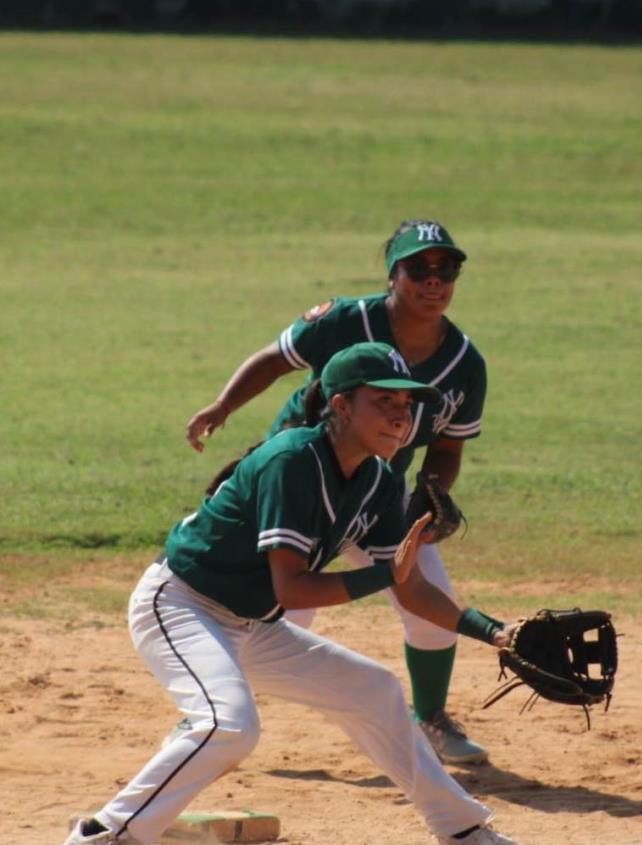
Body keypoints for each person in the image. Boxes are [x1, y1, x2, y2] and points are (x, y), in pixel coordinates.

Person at [63, 343, 521, 845]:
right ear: (341, 405)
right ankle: (104, 835)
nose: (399, 417)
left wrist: (495, 633)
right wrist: (384, 574)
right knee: (229, 726)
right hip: (181, 605)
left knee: (375, 692)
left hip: (253, 624)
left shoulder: (379, 479)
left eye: (406, 406)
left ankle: (464, 830)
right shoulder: (293, 461)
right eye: (383, 402)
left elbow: (410, 585)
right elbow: (296, 587)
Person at [184, 218, 490, 764]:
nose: (433, 280)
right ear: (393, 274)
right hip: (296, 483)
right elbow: (274, 360)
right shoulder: (347, 320)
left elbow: (447, 447)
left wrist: (430, 492)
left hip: (377, 493)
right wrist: (223, 406)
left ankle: (433, 719)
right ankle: (213, 706)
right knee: (280, 609)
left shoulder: (465, 364)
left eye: (447, 269)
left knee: (425, 600)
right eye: (419, 267)